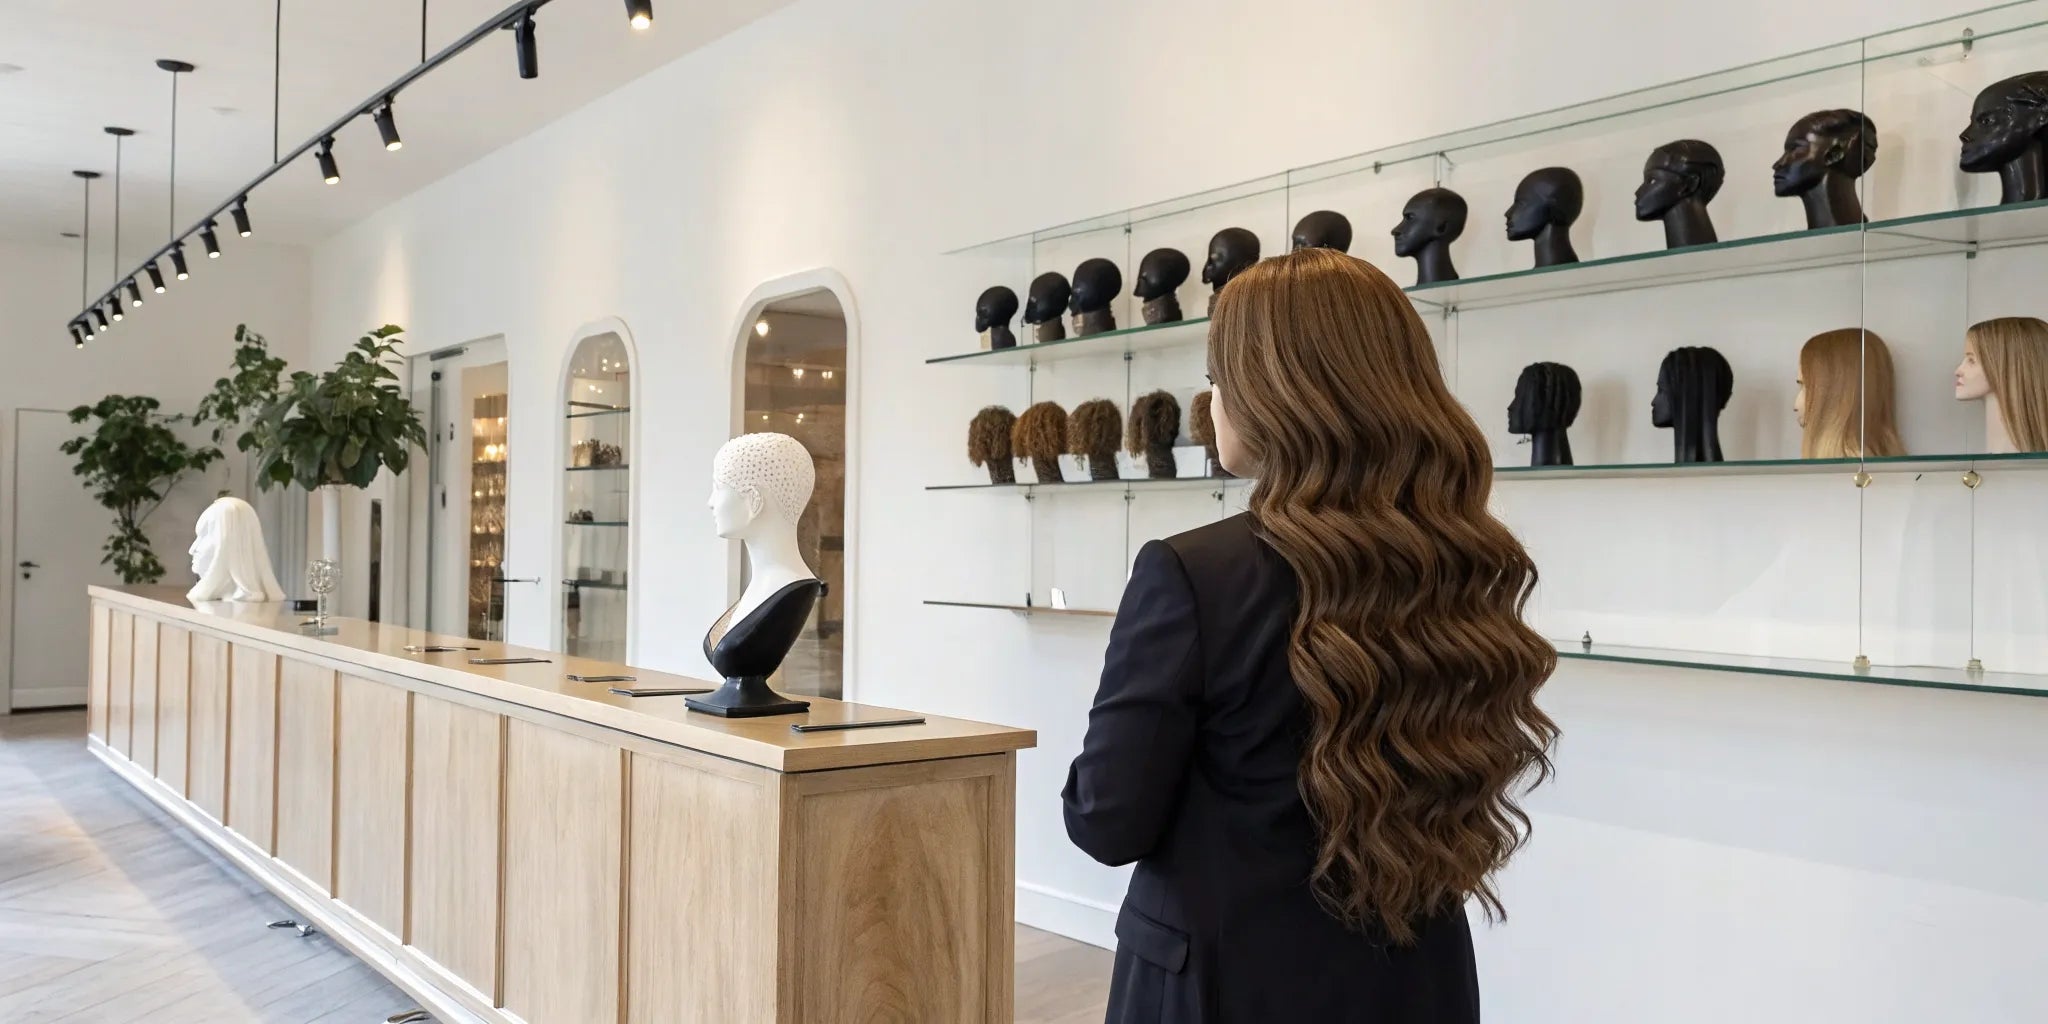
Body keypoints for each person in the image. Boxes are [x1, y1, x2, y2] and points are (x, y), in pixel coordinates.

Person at [1062, 247, 1559, 1023]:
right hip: (1414, 978)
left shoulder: (1191, 572)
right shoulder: (1459, 563)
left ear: (1276, 391)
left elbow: (1107, 819)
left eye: (1221, 372)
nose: (1213, 395)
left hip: (1226, 983)